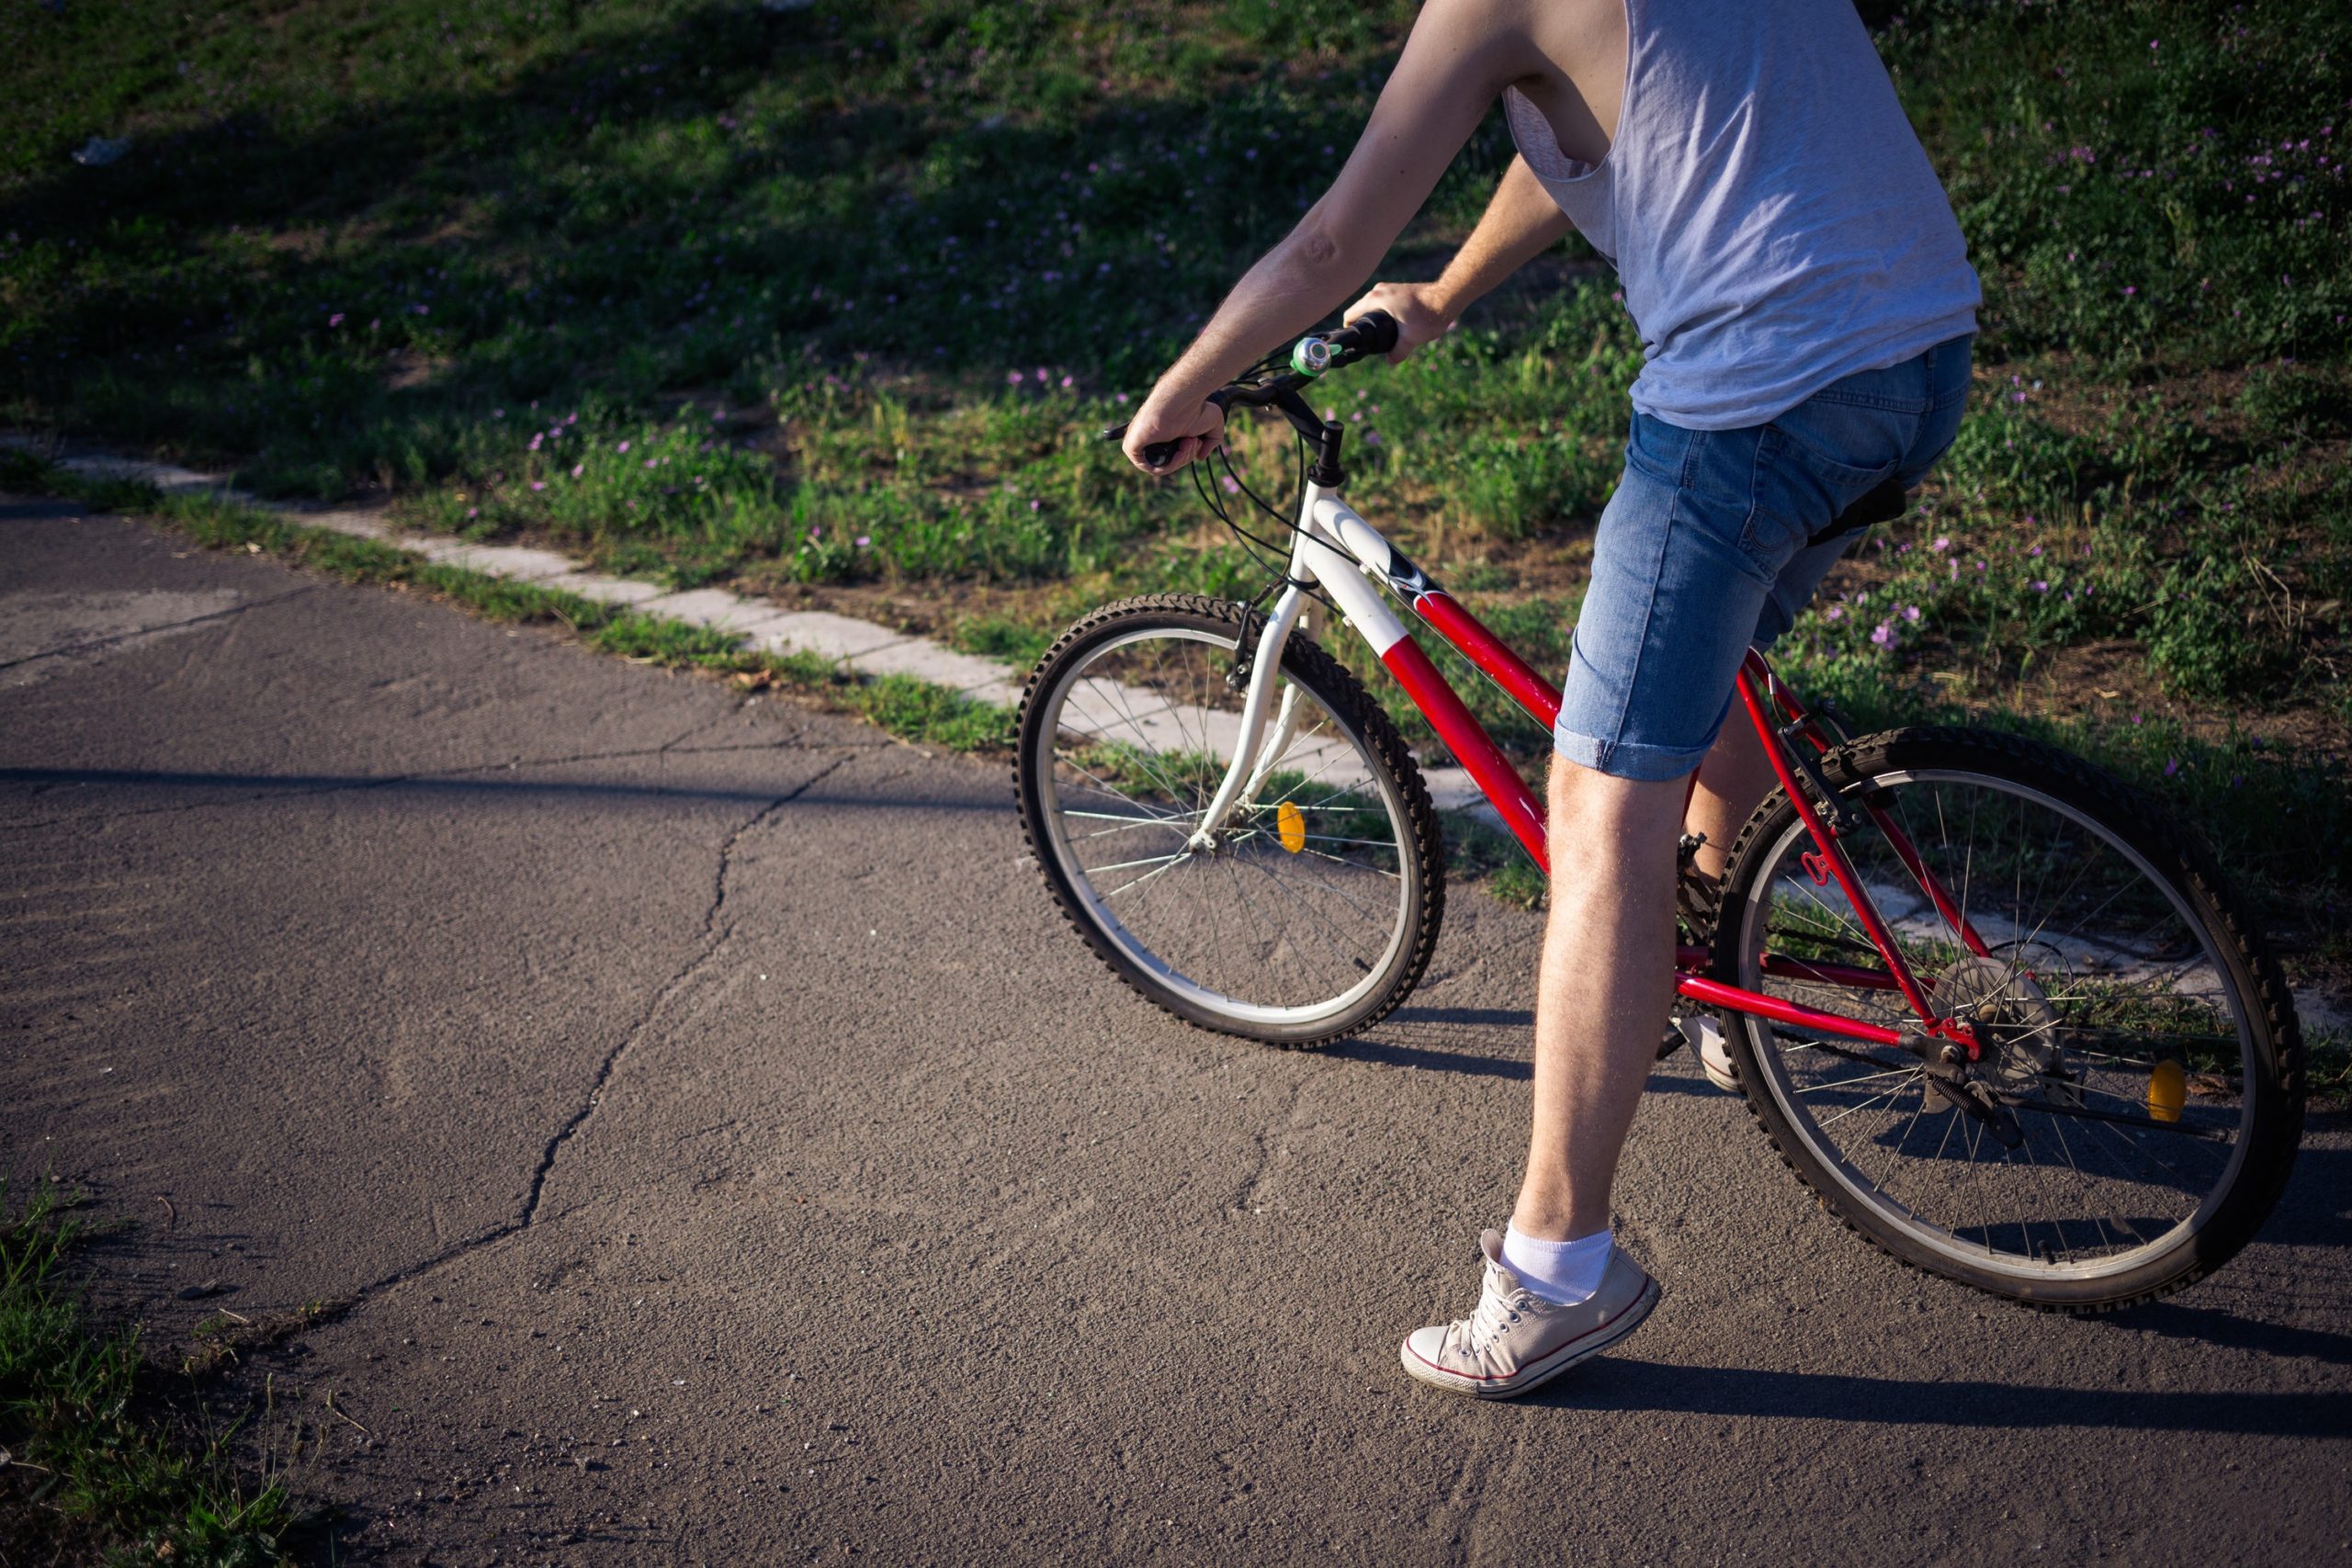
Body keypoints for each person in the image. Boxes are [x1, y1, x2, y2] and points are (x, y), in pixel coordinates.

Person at [1121, 0, 1977, 1399]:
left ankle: (1556, 1273)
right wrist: (1450, 293)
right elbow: (1610, 123)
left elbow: (1332, 241)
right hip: (1917, 352)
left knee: (1594, 814)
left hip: (1756, 395)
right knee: (1702, 692)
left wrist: (1189, 381)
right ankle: (1719, 976)